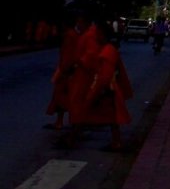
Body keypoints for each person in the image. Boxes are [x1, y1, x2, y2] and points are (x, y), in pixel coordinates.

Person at [71, 21, 132, 151]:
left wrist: (99, 89)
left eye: (98, 33)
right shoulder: (108, 48)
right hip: (107, 87)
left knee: (94, 112)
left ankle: (73, 137)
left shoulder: (108, 50)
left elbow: (106, 74)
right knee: (110, 118)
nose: (96, 35)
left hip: (107, 88)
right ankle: (116, 142)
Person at [43, 10, 96, 131]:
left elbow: (69, 55)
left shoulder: (71, 35)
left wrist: (64, 69)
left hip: (69, 71)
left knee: (63, 97)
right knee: (62, 97)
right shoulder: (75, 34)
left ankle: (70, 123)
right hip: (71, 69)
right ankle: (62, 121)